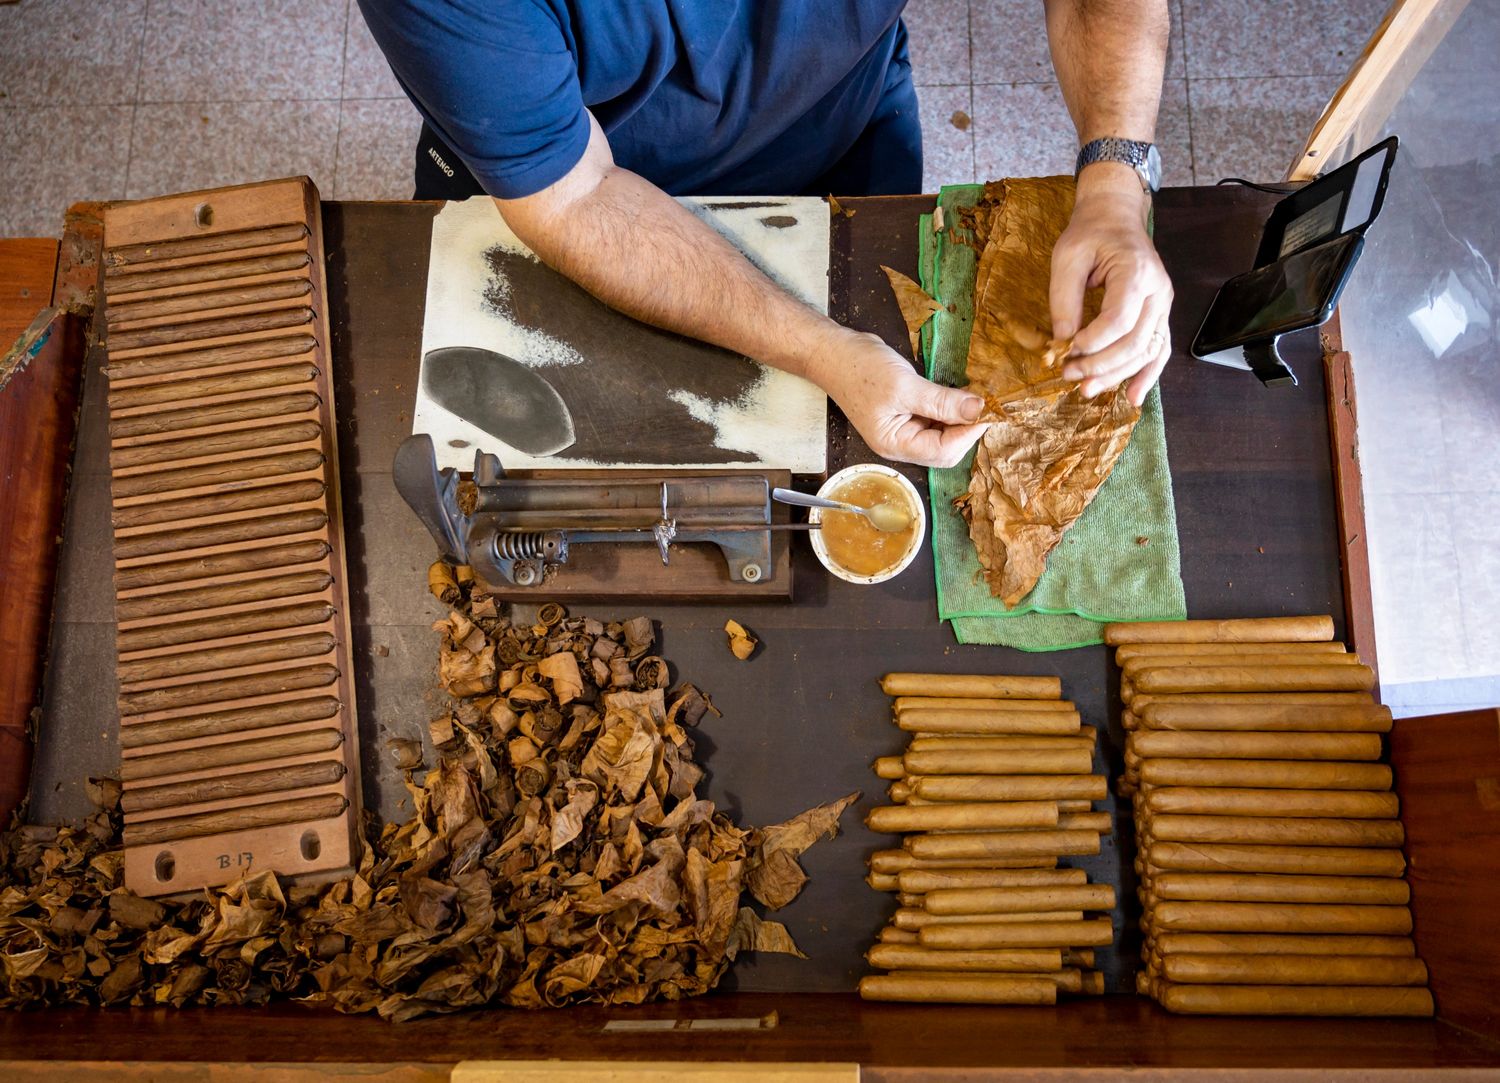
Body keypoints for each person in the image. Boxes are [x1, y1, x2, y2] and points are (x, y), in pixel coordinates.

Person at [359, 0, 1173, 467]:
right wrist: (822, 350)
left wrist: (1114, 182)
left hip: (844, 129)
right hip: (579, 198)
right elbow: (575, 201)